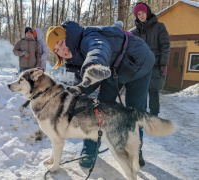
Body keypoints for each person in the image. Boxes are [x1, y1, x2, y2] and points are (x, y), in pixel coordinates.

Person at [45, 20, 155, 168]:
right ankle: (89, 152)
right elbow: (88, 83)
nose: (61, 49)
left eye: (62, 42)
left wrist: (93, 66)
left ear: (69, 38)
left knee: (135, 111)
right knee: (98, 110)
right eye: (56, 49)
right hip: (113, 71)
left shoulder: (88, 37)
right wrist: (80, 89)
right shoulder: (72, 61)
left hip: (140, 64)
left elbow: (99, 48)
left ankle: (135, 152)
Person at [131, 4, 170, 117]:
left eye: (143, 13)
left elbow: (165, 46)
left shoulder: (159, 27)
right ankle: (140, 115)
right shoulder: (134, 32)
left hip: (155, 65)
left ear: (147, 12)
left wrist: (164, 64)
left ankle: (154, 116)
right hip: (140, 67)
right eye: (138, 14)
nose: (141, 16)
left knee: (153, 92)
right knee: (140, 93)